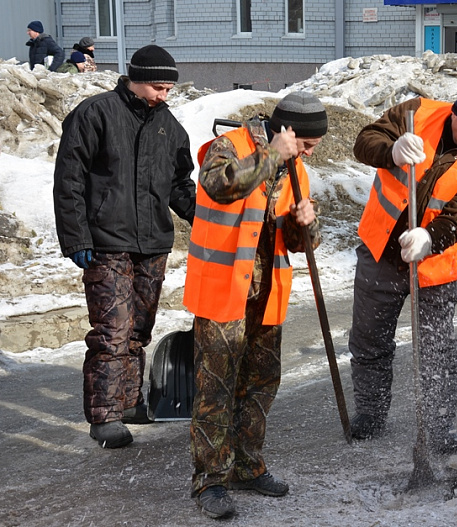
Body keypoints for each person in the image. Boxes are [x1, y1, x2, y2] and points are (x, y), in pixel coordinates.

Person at [183, 91, 326, 520]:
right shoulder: (230, 146)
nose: (307, 153)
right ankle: (210, 481)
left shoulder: (295, 167)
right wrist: (270, 157)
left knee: (261, 385)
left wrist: (307, 225)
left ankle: (247, 465)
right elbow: (217, 185)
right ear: (287, 133)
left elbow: (302, 243)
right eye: (305, 145)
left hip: (267, 295)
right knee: (216, 390)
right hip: (223, 289)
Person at [53, 44, 196, 449]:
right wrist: (76, 237)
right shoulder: (95, 113)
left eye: (168, 88)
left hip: (152, 243)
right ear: (135, 78)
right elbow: (69, 180)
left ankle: (131, 402)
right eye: (157, 87)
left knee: (138, 330)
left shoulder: (170, 127)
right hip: (105, 241)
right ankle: (105, 417)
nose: (163, 95)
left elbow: (179, 184)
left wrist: (206, 216)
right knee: (112, 331)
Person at [346, 87, 457, 454]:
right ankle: (370, 414)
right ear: (455, 115)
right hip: (381, 249)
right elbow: (364, 141)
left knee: (437, 351)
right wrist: (391, 150)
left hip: (434, 267)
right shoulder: (417, 113)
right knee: (369, 340)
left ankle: (438, 427)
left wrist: (430, 238)